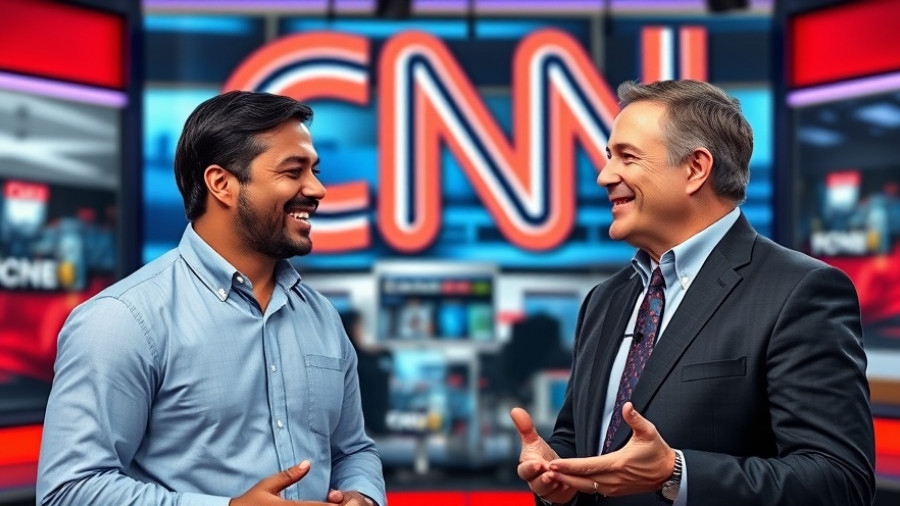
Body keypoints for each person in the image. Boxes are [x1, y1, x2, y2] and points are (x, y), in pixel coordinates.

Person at [510, 80, 875, 506]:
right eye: (610, 157)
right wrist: (559, 476)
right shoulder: (604, 300)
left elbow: (839, 483)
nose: (605, 176)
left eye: (627, 157)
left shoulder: (800, 291)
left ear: (696, 169)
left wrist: (676, 473)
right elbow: (577, 438)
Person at [37, 91, 386, 506]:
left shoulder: (322, 317)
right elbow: (68, 490)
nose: (318, 189)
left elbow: (352, 451)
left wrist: (363, 496)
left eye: (314, 170)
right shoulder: (122, 320)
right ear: (221, 184)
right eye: (294, 172)